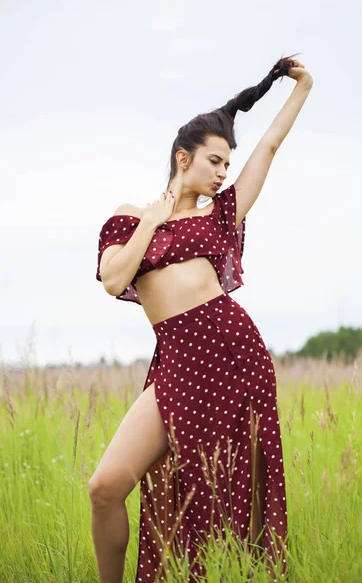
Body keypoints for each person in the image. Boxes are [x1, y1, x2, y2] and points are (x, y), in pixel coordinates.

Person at [89, 54, 313, 583]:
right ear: (181, 157)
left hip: (236, 358)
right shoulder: (126, 219)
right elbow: (114, 279)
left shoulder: (224, 214)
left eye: (226, 166)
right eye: (213, 161)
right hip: (177, 365)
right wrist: (155, 218)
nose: (221, 174)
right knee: (105, 486)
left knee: (238, 500)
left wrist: (302, 88)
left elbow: (270, 147)